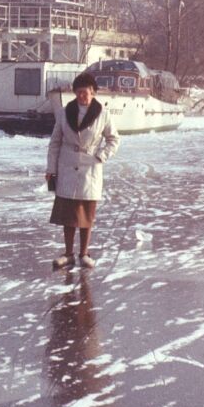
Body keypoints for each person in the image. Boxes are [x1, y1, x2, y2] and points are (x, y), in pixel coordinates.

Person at [46, 71, 120, 269]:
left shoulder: (103, 114)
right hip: (67, 166)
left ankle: (84, 254)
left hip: (90, 168)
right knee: (68, 214)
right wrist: (50, 169)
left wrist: (101, 156)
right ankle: (68, 254)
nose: (81, 96)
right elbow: (54, 143)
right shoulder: (64, 112)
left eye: (85, 92)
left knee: (86, 213)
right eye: (78, 92)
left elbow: (114, 140)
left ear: (93, 92)